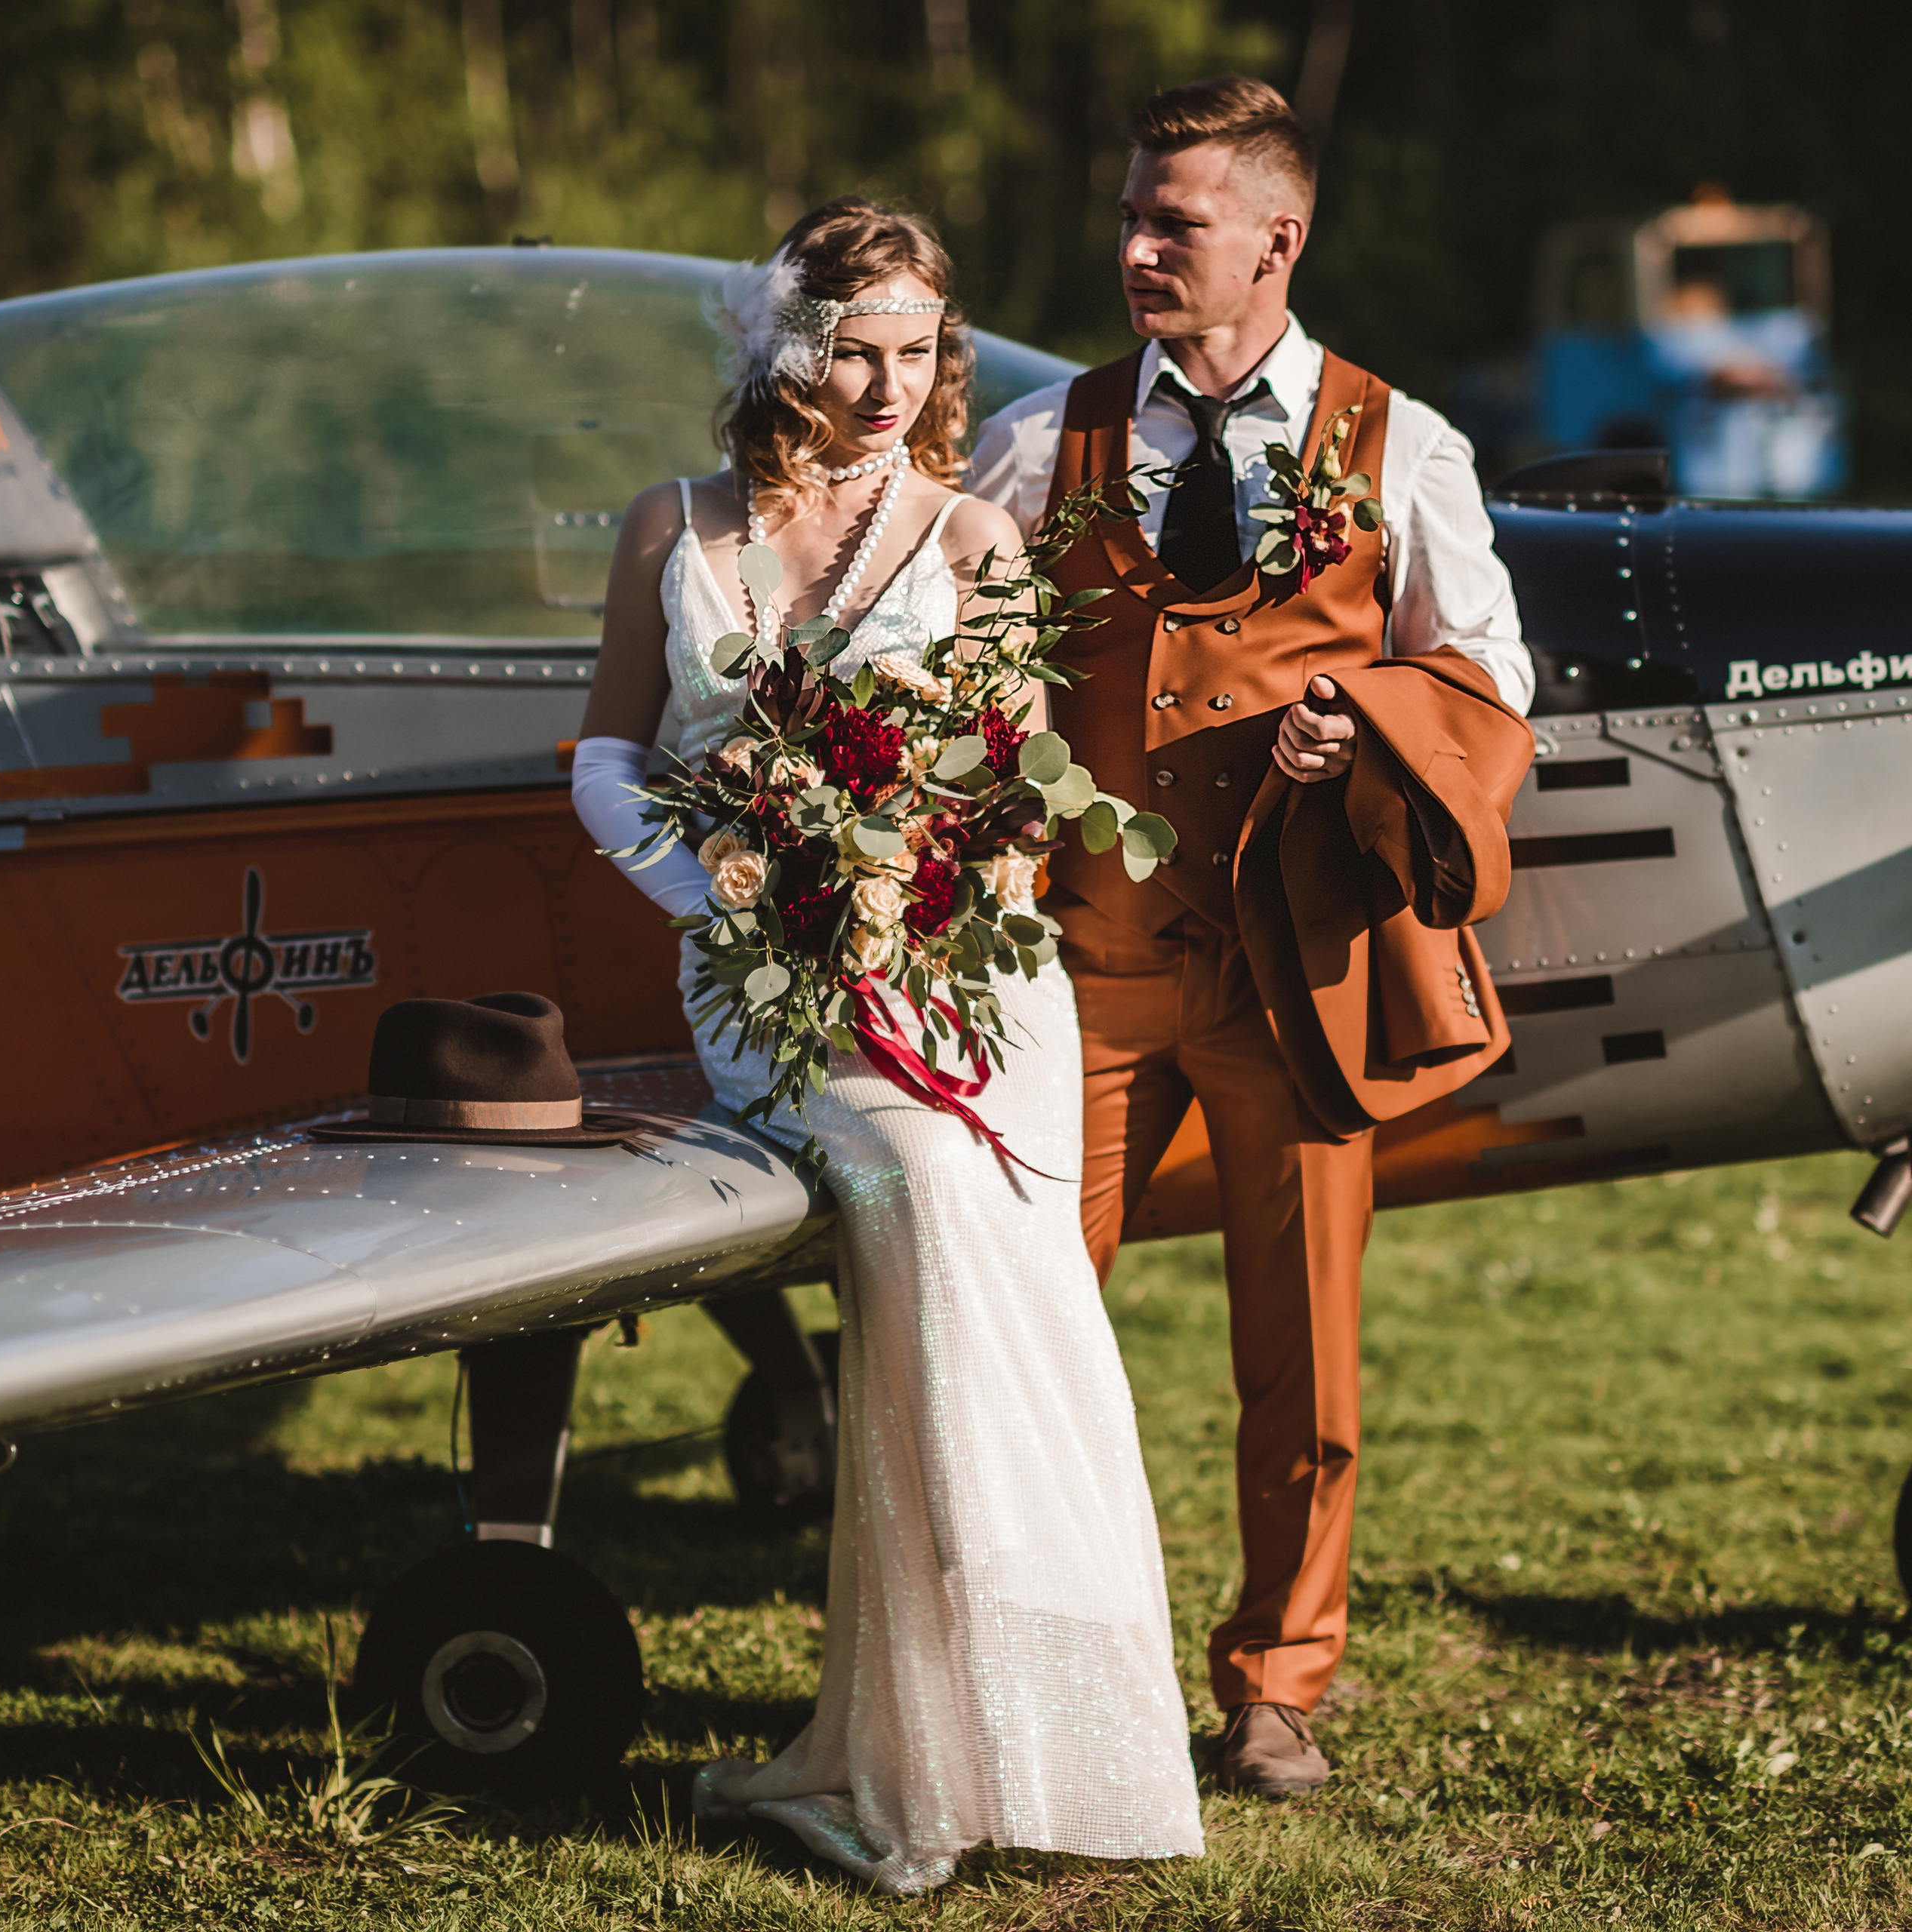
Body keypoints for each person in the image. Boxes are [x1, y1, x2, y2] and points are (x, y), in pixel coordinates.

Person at [571, 198, 1203, 1895]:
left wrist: (915, 893)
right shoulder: (671, 529)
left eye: (916, 350)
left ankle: (1028, 1736)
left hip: (961, 991)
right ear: (781, 344)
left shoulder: (973, 544)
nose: (884, 383)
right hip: (754, 980)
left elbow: (1016, 796)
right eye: (853, 344)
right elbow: (606, 755)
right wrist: (701, 875)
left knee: (964, 1214)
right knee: (912, 1177)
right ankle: (908, 1740)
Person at [968, 77, 1536, 1798]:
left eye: (1174, 226)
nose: (1136, 251)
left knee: (1304, 1358)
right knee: (1017, 1332)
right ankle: (1025, 1659)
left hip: (1304, 978)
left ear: (1275, 242)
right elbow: (965, 681)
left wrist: (1361, 720)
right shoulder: (1036, 439)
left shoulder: (1398, 441)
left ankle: (1275, 1680)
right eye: (1131, 219)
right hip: (1086, 968)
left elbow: (1495, 674)